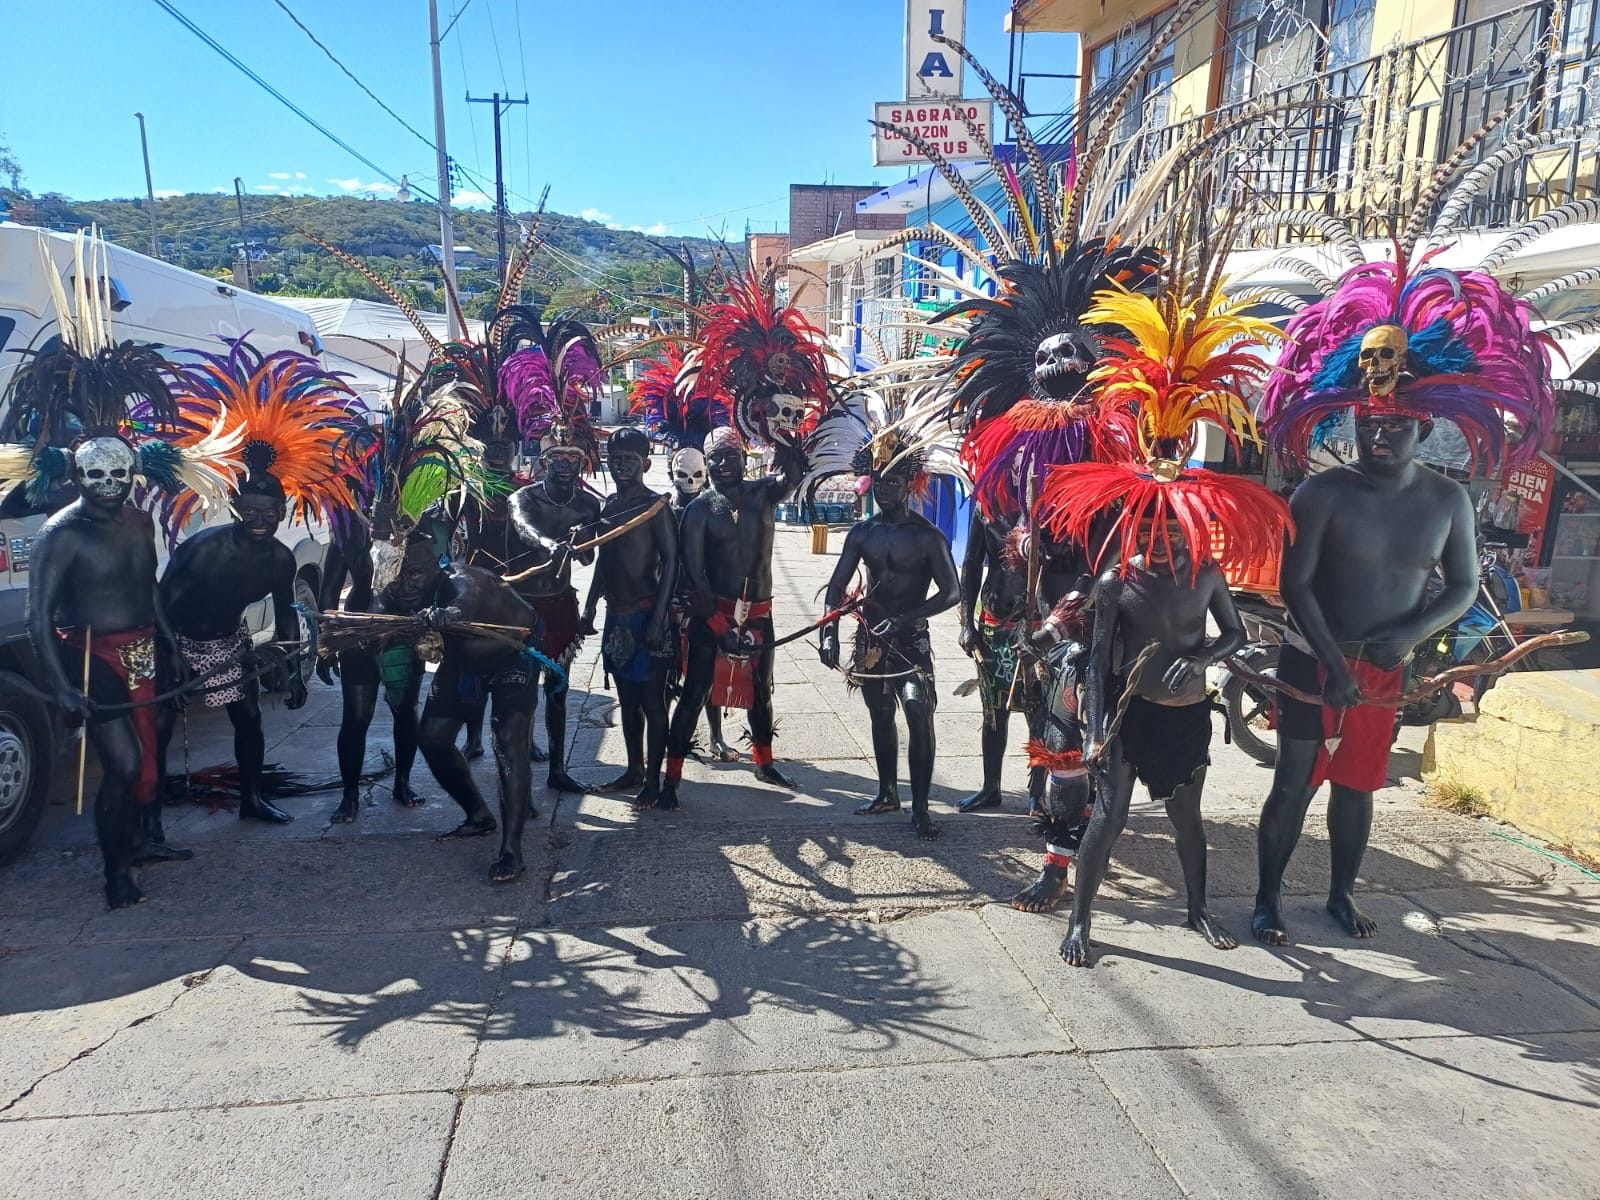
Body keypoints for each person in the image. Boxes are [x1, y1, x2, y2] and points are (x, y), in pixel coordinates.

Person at [1253, 244, 1556, 942]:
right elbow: (1295, 585)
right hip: (1311, 658)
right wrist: (1328, 659)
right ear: (1351, 421)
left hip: (1385, 663)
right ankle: (1268, 897)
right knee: (1295, 780)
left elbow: (1464, 586)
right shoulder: (1322, 493)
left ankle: (1340, 892)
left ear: (1423, 426)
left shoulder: (1447, 501)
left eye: (1393, 425)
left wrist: (1410, 636)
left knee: (1358, 785)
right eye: (1368, 423)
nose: (1379, 434)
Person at [1035, 267, 1291, 967]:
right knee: (1109, 820)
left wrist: (1204, 658)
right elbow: (1093, 663)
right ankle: (1082, 920)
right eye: (1159, 525)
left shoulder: (1205, 575)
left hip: (1184, 711)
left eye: (1182, 526)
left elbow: (1234, 634)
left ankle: (1200, 908)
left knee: (1187, 820)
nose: (1171, 536)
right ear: (1139, 520)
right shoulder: (1119, 582)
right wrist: (1091, 730)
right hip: (1127, 715)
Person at [819, 439, 959, 839]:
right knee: (880, 714)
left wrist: (905, 619)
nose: (885, 489)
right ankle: (885, 793)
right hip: (870, 640)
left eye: (894, 481)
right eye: (880, 481)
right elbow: (837, 585)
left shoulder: (927, 536)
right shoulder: (862, 533)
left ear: (909, 484)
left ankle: (921, 807)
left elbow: (951, 593)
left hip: (911, 641)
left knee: (919, 712)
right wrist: (830, 631)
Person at [658, 427, 801, 806]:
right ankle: (671, 779)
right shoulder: (699, 510)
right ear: (707, 463)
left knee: (760, 692)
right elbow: (692, 574)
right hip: (713, 614)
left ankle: (764, 762)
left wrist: (781, 432)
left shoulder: (764, 493)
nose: (723, 464)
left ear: (744, 456)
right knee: (695, 693)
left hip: (760, 613)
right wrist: (719, 627)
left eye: (729, 456)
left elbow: (794, 475)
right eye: (715, 458)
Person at [157, 474, 308, 824]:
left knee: (249, 719)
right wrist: (170, 658)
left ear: (282, 512)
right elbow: (160, 608)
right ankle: (148, 817)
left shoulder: (280, 559)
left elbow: (287, 614)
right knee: (160, 724)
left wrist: (295, 669)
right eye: (251, 511)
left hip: (226, 642)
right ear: (236, 509)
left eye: (269, 513)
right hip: (172, 637)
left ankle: (251, 800)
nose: (260, 521)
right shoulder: (205, 550)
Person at [406, 532, 550, 882]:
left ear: (435, 569)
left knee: (507, 741)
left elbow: (465, 600)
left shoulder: (460, 580)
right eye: (402, 575)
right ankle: (478, 814)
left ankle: (511, 850)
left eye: (416, 574)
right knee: (432, 738)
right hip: (461, 662)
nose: (408, 583)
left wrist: (450, 614)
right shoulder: (404, 590)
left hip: (511, 654)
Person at [626, 341, 739, 762]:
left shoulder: (713, 506)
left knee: (705, 674)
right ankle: (674, 739)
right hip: (665, 600)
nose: (689, 480)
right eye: (681, 474)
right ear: (670, 472)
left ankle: (714, 735)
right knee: (666, 674)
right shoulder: (660, 507)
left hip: (703, 598)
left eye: (697, 474)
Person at [580, 427, 678, 808]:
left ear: (646, 464)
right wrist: (589, 606)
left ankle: (653, 779)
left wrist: (657, 618)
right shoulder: (607, 508)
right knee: (627, 699)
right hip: (616, 617)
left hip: (647, 615)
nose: (621, 466)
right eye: (615, 459)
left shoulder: (656, 507)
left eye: (630, 460)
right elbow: (603, 563)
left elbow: (671, 562)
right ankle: (633, 768)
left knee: (653, 702)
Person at [954, 507, 1033, 813]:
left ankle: (1037, 790)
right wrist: (966, 624)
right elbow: (971, 564)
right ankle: (991, 787)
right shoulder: (987, 505)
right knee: (993, 712)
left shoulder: (1048, 504)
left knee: (1036, 710)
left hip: (1035, 628)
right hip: (992, 624)